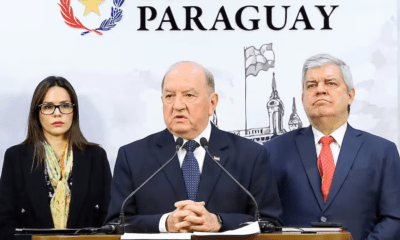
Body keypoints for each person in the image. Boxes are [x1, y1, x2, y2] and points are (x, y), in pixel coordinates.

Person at [106, 61, 282, 233]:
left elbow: (269, 223)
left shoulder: (251, 155)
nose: (177, 105)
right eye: (169, 96)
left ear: (212, 103)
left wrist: (219, 221)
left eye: (189, 95)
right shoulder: (132, 156)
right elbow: (116, 224)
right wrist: (164, 223)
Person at [264, 54, 400, 240]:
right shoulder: (274, 150)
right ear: (303, 99)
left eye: (330, 83)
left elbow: (394, 218)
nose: (320, 90)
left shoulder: (382, 151)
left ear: (350, 95)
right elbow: (265, 217)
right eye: (311, 85)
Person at [0, 77, 112, 239]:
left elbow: (109, 217)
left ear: (74, 111)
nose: (57, 113)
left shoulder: (95, 156)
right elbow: (4, 223)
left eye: (65, 106)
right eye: (48, 107)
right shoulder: (16, 157)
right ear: (37, 112)